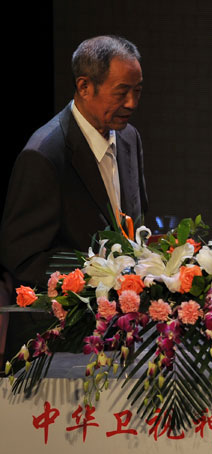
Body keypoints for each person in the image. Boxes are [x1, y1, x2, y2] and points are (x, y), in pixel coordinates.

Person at [0, 35, 147, 358]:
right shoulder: (44, 155)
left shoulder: (129, 138)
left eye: (137, 91)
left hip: (118, 335)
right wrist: (97, 276)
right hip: (56, 343)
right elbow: (22, 257)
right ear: (84, 86)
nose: (132, 103)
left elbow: (134, 224)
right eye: (122, 91)